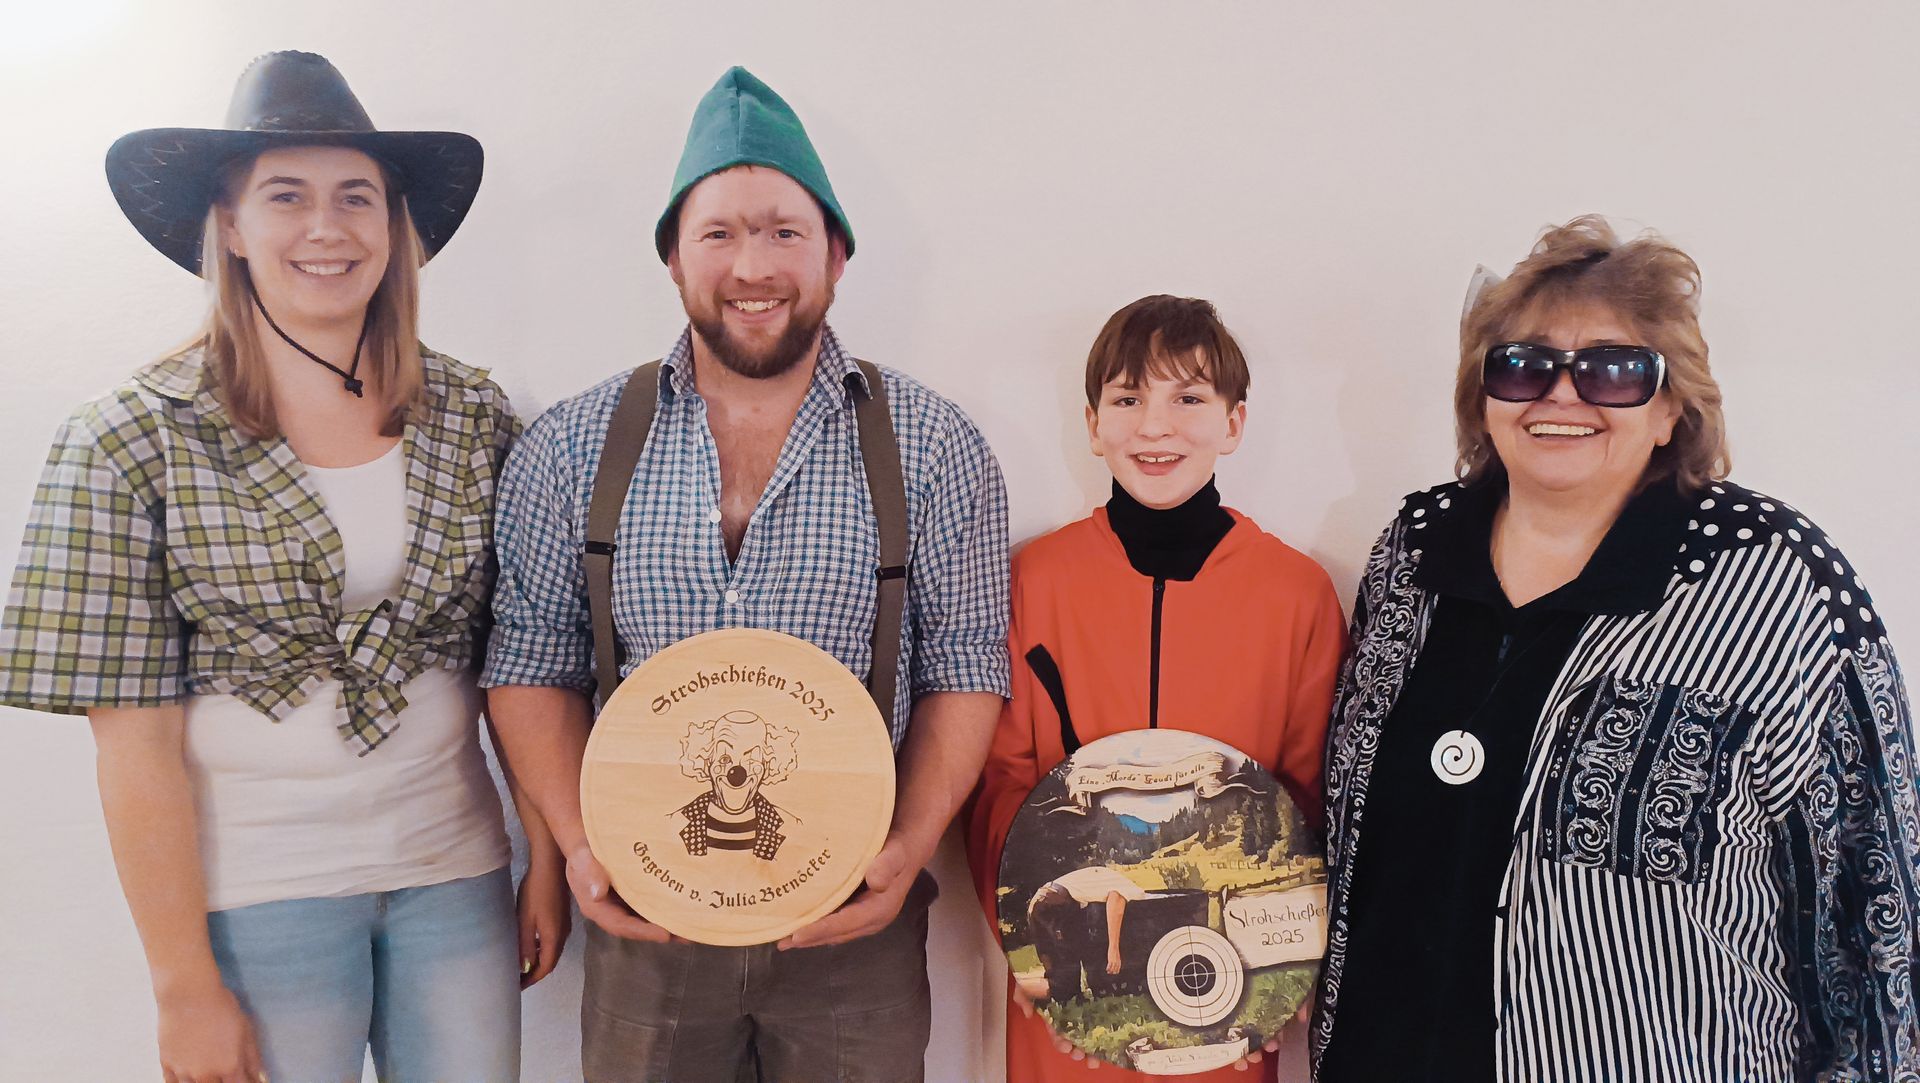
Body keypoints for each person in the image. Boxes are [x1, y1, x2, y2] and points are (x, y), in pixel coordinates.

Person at [0, 51, 567, 1083]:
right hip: (259, 892)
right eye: (286, 196)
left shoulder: (474, 414)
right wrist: (183, 987)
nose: (326, 227)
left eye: (356, 196)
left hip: (455, 876)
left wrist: (544, 856)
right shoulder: (130, 438)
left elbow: (519, 661)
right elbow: (132, 746)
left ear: (393, 224)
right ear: (229, 224)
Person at [482, 67, 1010, 1083]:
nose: (752, 266)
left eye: (783, 232)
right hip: (648, 934)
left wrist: (907, 848)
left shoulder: (935, 445)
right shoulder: (570, 447)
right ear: (673, 257)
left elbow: (964, 665)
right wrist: (582, 848)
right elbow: (531, 663)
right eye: (718, 233)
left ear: (836, 255)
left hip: (854, 929)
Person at [1313, 215, 1919, 1082]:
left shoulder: (1780, 577)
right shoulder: (1414, 549)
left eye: (1613, 369)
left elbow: (1876, 897)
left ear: (1672, 408)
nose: (1561, 395)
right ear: (1484, 398)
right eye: (1522, 365)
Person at [965, 295, 1347, 1081]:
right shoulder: (1032, 581)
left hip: (1227, 1001)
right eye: (1128, 398)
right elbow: (1000, 781)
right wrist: (1034, 952)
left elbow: (1311, 800)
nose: (1154, 426)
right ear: (1093, 423)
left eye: (1188, 398)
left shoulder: (1297, 594)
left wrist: (1280, 973)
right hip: (1065, 1006)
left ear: (1234, 423)